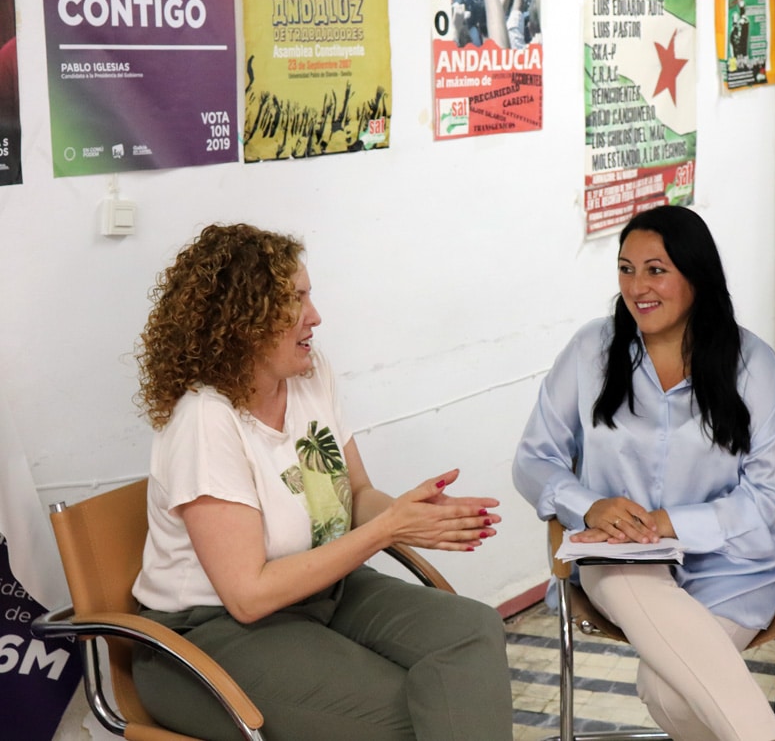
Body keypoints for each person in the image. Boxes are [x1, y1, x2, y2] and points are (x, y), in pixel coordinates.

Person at [130, 223, 514, 741]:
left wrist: (410, 515)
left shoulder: (311, 376)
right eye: (295, 299)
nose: (315, 316)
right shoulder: (206, 420)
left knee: (473, 633)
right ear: (243, 320)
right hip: (208, 636)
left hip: (321, 594)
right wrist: (385, 532)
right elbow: (248, 595)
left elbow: (356, 496)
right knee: (409, 712)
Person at [513, 206, 775, 741]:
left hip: (730, 567)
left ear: (696, 275)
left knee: (667, 690)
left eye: (656, 270)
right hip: (620, 555)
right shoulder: (590, 352)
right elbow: (533, 459)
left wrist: (672, 522)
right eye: (626, 269)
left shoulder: (753, 366)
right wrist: (588, 505)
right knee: (630, 590)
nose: (637, 287)